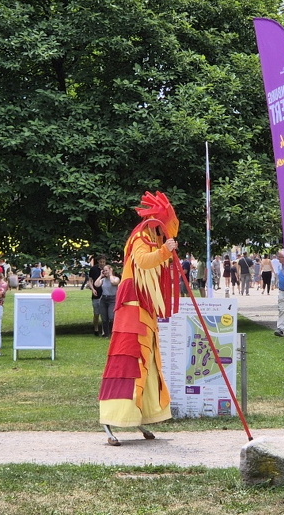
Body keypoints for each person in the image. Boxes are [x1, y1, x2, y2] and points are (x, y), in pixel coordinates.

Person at [98, 191, 180, 446]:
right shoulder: (141, 237)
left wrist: (165, 251)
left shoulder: (150, 238)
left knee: (147, 359)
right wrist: (165, 251)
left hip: (143, 307)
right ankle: (113, 415)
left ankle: (139, 412)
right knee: (129, 358)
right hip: (133, 306)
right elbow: (143, 262)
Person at [94, 263, 120, 338]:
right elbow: (96, 284)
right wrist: (100, 276)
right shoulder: (103, 280)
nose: (105, 272)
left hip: (112, 299)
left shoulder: (115, 278)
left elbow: (113, 282)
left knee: (111, 317)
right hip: (104, 299)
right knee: (104, 318)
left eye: (106, 270)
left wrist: (111, 274)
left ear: (110, 270)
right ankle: (106, 334)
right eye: (104, 271)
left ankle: (113, 333)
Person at [88, 255, 106, 336]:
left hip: (105, 293)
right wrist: (93, 289)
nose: (102, 263)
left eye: (104, 262)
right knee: (96, 313)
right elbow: (90, 281)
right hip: (96, 293)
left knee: (104, 314)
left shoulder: (107, 269)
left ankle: (103, 330)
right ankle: (96, 329)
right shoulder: (93, 269)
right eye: (101, 262)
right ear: (98, 261)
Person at [273, 250, 284, 336]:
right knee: (281, 309)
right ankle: (280, 328)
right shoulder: (279, 266)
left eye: (280, 257)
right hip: (282, 291)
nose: (278, 259)